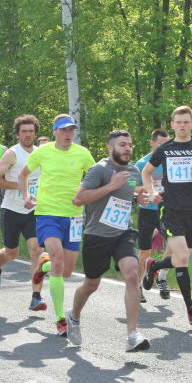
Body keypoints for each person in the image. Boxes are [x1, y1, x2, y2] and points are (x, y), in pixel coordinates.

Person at [65, 130, 150, 352]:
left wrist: (137, 197)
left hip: (123, 232)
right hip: (97, 235)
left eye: (130, 145)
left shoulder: (132, 170)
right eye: (122, 145)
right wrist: (110, 186)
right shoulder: (100, 170)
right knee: (91, 284)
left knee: (132, 274)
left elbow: (128, 192)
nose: (127, 148)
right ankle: (73, 317)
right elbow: (78, 198)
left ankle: (132, 335)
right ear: (110, 148)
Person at [141, 105, 192, 325]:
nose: (182, 125)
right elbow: (146, 172)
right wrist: (151, 193)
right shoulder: (165, 148)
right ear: (172, 125)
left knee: (180, 257)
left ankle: (154, 266)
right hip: (171, 211)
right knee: (184, 259)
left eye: (186, 122)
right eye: (178, 122)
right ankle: (191, 311)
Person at [18, 114, 95, 336]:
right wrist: (26, 196)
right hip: (47, 213)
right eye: (63, 130)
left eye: (71, 130)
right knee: (58, 259)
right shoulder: (43, 151)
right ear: (55, 131)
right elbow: (22, 176)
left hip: (73, 216)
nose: (68, 134)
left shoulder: (83, 153)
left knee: (66, 270)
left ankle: (43, 267)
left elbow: (96, 175)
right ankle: (61, 318)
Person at [0, 115, 46, 309]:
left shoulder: (41, 153)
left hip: (34, 211)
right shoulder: (12, 154)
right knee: (12, 253)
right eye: (24, 131)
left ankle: (36, 296)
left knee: (37, 250)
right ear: (18, 134)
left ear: (35, 133)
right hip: (12, 210)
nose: (28, 135)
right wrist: (20, 186)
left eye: (31, 131)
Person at [135, 128, 172, 301]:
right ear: (152, 143)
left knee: (174, 244)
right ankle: (137, 287)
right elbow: (130, 185)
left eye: (167, 144)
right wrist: (142, 192)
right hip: (148, 212)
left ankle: (161, 276)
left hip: (168, 210)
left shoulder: (172, 161)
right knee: (145, 251)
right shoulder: (142, 163)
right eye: (160, 144)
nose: (164, 147)